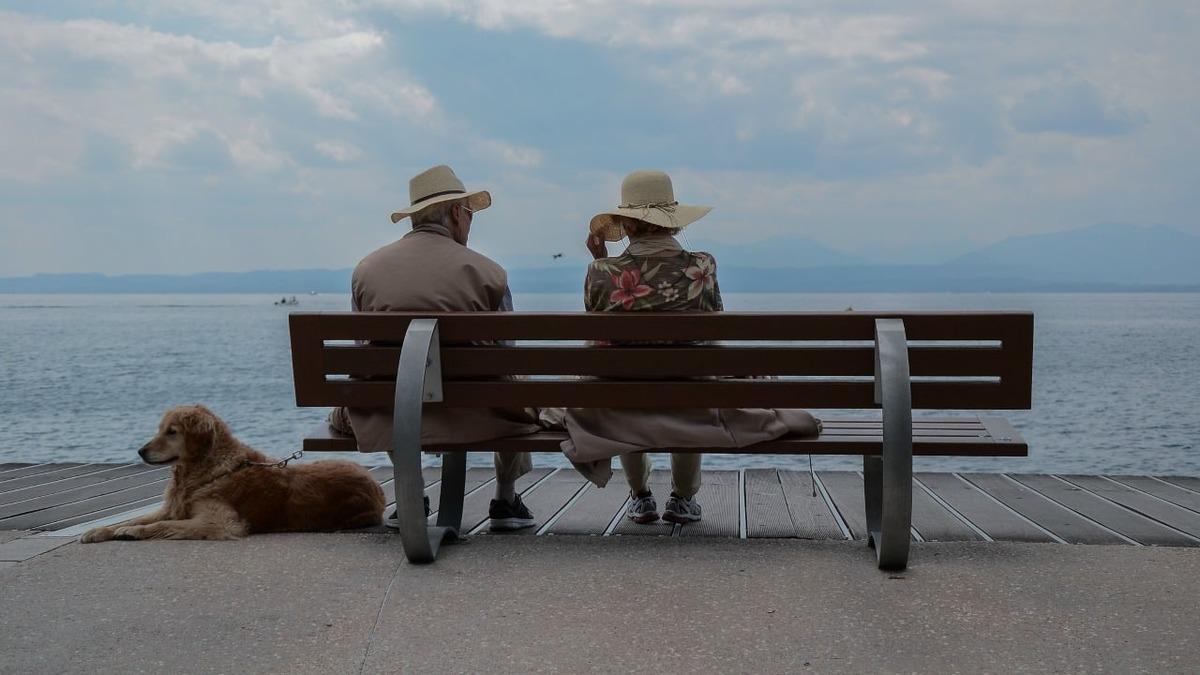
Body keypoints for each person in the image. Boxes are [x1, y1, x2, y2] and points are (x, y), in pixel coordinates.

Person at [562, 170, 821, 525]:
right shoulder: (702, 266)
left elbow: (598, 342)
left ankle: (640, 496)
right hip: (692, 400)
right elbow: (714, 333)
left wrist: (601, 260)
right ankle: (683, 497)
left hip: (621, 403)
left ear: (627, 224)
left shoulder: (600, 271)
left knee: (616, 387)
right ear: (673, 222)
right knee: (695, 382)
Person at [328, 164, 541, 531]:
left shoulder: (367, 270)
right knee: (515, 382)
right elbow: (508, 353)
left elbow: (362, 350)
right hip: (477, 414)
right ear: (456, 213)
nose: (471, 222)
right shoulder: (489, 272)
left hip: (387, 413)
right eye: (471, 213)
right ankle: (505, 498)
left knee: (384, 386)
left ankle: (411, 493)